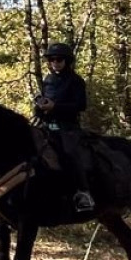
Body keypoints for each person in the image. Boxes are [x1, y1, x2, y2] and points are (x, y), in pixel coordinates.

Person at [33, 41, 95, 214]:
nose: (55, 62)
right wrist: (39, 107)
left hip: (68, 127)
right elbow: (44, 102)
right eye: (51, 59)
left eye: (59, 59)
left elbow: (81, 105)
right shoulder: (48, 80)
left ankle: (84, 193)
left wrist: (55, 107)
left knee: (69, 151)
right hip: (46, 124)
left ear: (67, 61)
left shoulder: (76, 81)